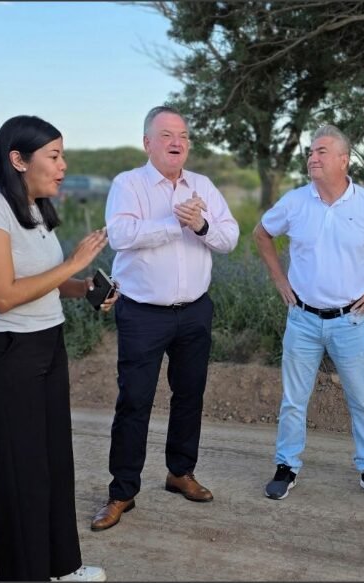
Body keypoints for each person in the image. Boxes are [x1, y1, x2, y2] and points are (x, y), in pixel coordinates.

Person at [0, 115, 112, 582]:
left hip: (46, 341)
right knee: (21, 470)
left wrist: (83, 285)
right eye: (54, 156)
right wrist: (73, 261)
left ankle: (62, 566)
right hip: (4, 351)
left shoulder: (34, 204)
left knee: (53, 460)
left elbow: (40, 281)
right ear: (18, 160)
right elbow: (3, 294)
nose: (63, 166)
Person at [253, 124, 364, 503]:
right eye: (311, 151)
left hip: (350, 322)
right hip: (302, 318)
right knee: (294, 400)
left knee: (362, 399)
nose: (312, 157)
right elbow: (261, 233)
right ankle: (286, 466)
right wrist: (279, 278)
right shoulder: (295, 202)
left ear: (344, 160)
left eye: (322, 151)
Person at [91, 105, 239, 531]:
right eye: (168, 134)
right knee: (134, 400)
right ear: (147, 143)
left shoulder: (204, 186)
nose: (178, 142)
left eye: (184, 136)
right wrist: (178, 224)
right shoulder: (129, 184)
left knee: (189, 394)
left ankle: (180, 472)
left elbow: (228, 238)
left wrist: (203, 224)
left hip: (195, 310)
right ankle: (122, 492)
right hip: (142, 313)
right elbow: (120, 235)